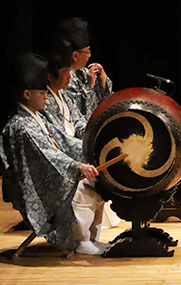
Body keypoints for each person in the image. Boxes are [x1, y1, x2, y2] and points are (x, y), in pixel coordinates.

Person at [0, 53, 110, 254]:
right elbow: (47, 153)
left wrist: (92, 150)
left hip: (51, 172)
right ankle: (80, 241)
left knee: (99, 182)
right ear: (27, 94)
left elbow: (64, 141)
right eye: (41, 93)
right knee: (82, 185)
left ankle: (91, 238)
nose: (45, 96)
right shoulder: (21, 126)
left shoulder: (37, 118)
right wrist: (77, 166)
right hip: (37, 184)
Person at [42, 45, 123, 231]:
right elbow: (60, 139)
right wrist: (88, 149)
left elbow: (79, 121)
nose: (70, 77)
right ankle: (81, 238)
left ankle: (92, 235)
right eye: (65, 73)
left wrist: (97, 138)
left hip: (76, 146)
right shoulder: (46, 101)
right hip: (65, 155)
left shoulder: (63, 95)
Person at [54, 17, 113, 118]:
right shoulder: (64, 80)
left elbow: (107, 101)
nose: (89, 56)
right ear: (75, 56)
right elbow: (84, 115)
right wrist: (90, 86)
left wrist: (102, 78)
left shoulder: (85, 73)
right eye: (87, 52)